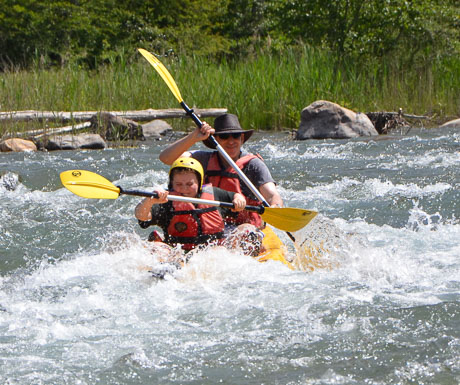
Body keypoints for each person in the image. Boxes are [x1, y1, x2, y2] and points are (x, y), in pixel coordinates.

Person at [159, 113, 283, 229]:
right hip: (209, 226)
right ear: (216, 139)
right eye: (224, 136)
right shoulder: (203, 159)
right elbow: (166, 158)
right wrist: (193, 137)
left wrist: (275, 207)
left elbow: (271, 195)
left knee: (245, 230)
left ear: (242, 138)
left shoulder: (253, 165)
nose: (230, 141)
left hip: (244, 226)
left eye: (235, 136)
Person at [134, 157, 264, 256]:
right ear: (171, 184)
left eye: (190, 184)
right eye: (178, 184)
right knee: (157, 249)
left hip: (214, 252)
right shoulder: (166, 201)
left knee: (248, 229)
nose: (184, 188)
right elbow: (142, 216)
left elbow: (235, 196)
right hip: (177, 253)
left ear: (200, 182)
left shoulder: (215, 195)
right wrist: (149, 201)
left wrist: (239, 199)